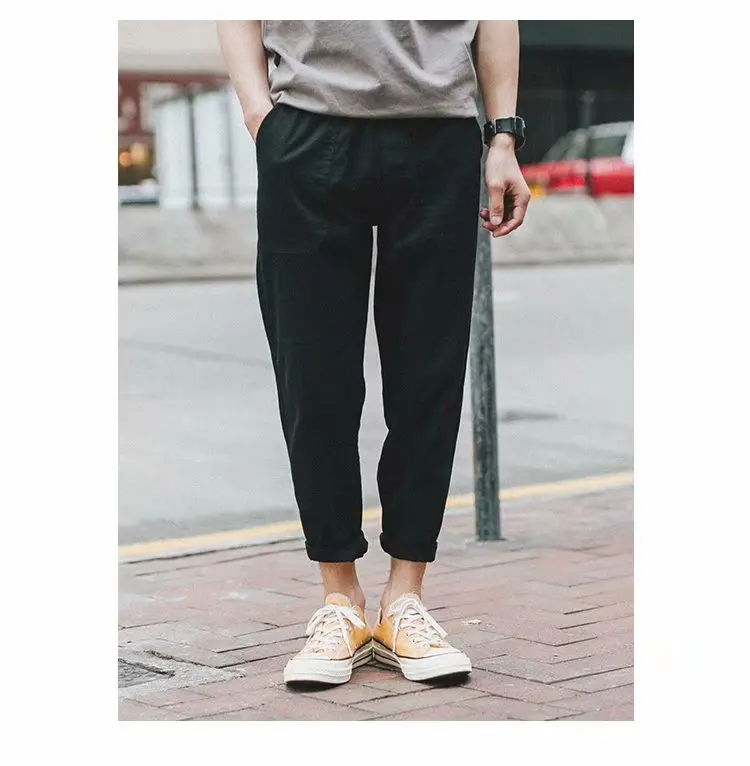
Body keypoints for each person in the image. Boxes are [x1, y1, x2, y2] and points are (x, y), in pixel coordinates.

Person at [217, 20, 530, 685]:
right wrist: (258, 112)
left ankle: (404, 601)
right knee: (314, 378)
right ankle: (340, 602)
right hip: (306, 129)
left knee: (427, 378)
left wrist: (502, 135)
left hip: (438, 133)